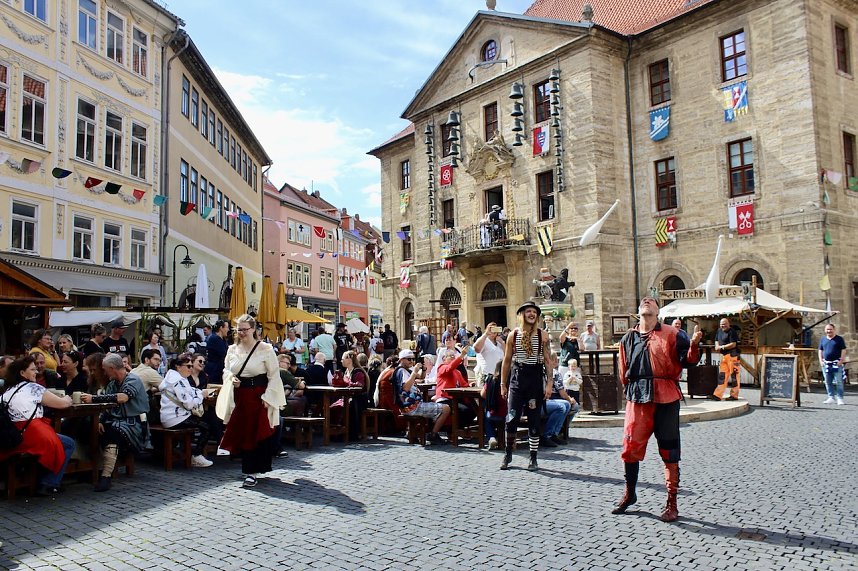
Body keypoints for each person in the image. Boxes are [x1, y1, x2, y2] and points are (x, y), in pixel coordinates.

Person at [612, 296, 701, 522]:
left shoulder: (673, 334)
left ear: (658, 311)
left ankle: (672, 502)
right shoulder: (627, 339)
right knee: (630, 447)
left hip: (666, 396)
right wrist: (631, 391)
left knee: (669, 451)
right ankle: (630, 493)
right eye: (644, 301)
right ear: (638, 311)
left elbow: (688, 361)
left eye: (652, 301)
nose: (647, 301)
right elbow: (623, 371)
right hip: (638, 397)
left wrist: (694, 345)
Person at [215, 314, 286, 488]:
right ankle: (250, 469)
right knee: (242, 431)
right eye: (239, 329)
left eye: (245, 329)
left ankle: (251, 471)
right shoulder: (232, 349)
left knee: (256, 432)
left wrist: (268, 397)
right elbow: (226, 370)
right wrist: (231, 379)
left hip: (258, 396)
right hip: (240, 396)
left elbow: (274, 376)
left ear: (253, 329)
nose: (242, 333)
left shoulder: (266, 349)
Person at [0, 356, 76, 496]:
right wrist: (67, 398)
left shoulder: (7, 391)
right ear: (22, 373)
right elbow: (62, 404)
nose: (36, 371)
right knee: (69, 444)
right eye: (33, 369)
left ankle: (42, 478)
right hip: (33, 436)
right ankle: (49, 483)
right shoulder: (33, 388)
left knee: (60, 441)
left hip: (13, 438)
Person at [80, 353, 149, 492]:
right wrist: (99, 421)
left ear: (112, 368)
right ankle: (91, 469)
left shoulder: (133, 380)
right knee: (91, 428)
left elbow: (123, 398)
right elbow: (108, 406)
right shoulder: (112, 384)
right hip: (116, 421)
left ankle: (106, 476)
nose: (104, 372)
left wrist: (93, 399)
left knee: (112, 433)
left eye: (105, 369)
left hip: (134, 424)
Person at [499, 301, 552, 471]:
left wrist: (549, 383)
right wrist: (503, 383)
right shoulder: (513, 335)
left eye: (534, 312)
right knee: (512, 417)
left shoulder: (542, 335)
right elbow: (506, 361)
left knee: (534, 419)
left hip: (535, 379)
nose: (531, 314)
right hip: (517, 379)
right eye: (528, 311)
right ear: (522, 314)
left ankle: (533, 457)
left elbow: (547, 360)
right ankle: (508, 454)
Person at [159, 353, 216, 468]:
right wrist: (201, 396)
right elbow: (189, 404)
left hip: (171, 416)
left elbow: (190, 391)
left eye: (191, 366)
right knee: (207, 427)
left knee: (208, 420)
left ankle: (193, 453)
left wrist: (200, 393)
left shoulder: (174, 377)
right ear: (178, 367)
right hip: (175, 418)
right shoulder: (177, 381)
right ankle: (196, 455)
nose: (191, 369)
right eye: (188, 366)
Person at [394, 349, 450, 445]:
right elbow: (406, 388)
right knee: (446, 408)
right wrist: (415, 371)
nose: (411, 361)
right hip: (412, 407)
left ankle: (417, 432)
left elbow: (421, 377)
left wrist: (423, 369)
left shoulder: (406, 370)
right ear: (401, 360)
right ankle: (433, 434)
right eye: (409, 359)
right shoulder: (401, 371)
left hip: (411, 406)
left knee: (436, 406)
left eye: (412, 359)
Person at [543, 352, 579, 446]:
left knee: (566, 405)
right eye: (556, 360)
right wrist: (570, 399)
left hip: (548, 400)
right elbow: (562, 393)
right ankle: (551, 433)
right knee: (570, 406)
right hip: (546, 401)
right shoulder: (555, 373)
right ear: (554, 361)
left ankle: (555, 432)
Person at [331, 350, 368, 440]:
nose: (341, 360)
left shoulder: (358, 372)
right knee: (331, 407)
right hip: (348, 398)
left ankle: (349, 433)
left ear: (349, 360)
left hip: (358, 400)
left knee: (346, 407)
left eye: (343, 359)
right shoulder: (347, 371)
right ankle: (335, 431)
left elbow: (360, 385)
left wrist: (346, 382)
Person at [481, 361, 508, 450]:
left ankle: (491, 437)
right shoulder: (511, 380)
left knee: (486, 416)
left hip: (492, 413)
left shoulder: (490, 380)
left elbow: (482, 394)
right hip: (507, 414)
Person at [819, 323, 848, 405]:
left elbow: (843, 350)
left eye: (830, 329)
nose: (829, 331)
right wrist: (821, 361)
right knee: (828, 381)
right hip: (826, 364)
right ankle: (831, 397)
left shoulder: (839, 339)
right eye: (827, 329)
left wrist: (841, 360)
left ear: (834, 330)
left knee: (839, 381)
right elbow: (820, 350)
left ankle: (840, 398)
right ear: (825, 330)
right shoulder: (823, 339)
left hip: (836, 363)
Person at [713, 318, 740, 401]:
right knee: (722, 376)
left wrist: (722, 347)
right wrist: (716, 345)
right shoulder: (719, 331)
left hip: (733, 356)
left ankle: (734, 395)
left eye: (724, 324)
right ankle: (718, 395)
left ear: (728, 324)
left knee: (734, 376)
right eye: (721, 324)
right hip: (724, 356)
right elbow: (716, 340)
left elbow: (733, 344)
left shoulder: (732, 332)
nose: (723, 326)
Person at [474, 322, 505, 386]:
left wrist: (503, 343)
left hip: (497, 375)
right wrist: (486, 334)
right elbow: (477, 349)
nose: (493, 331)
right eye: (491, 328)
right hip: (485, 374)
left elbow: (507, 355)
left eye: (495, 329)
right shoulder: (483, 340)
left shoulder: (499, 342)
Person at [204, 320, 229, 386]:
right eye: (226, 327)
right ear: (221, 328)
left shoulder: (223, 339)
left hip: (220, 369)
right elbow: (224, 353)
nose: (228, 329)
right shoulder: (214, 339)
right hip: (214, 370)